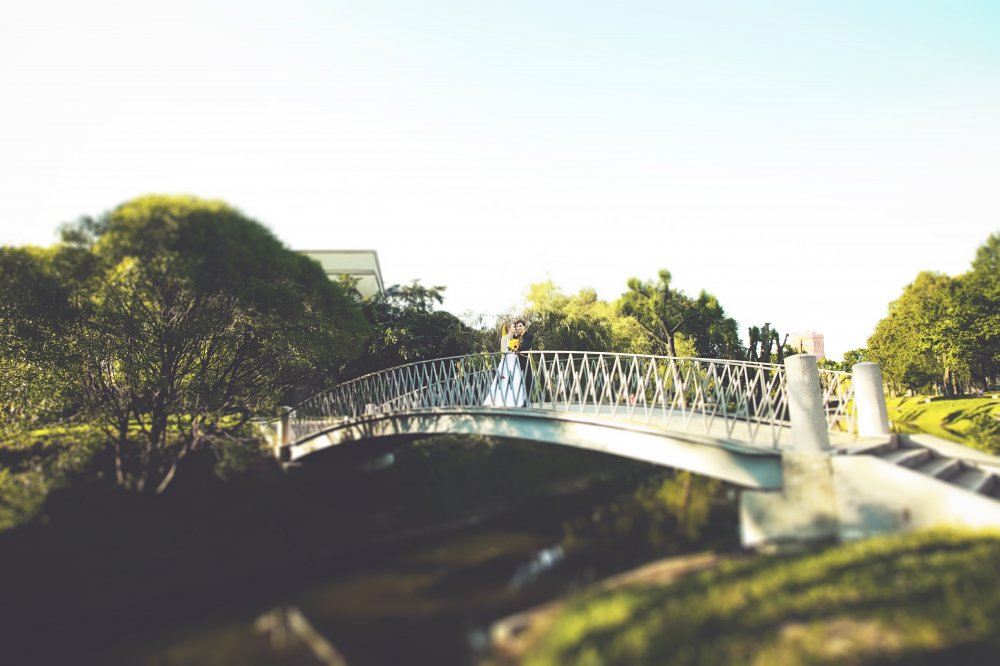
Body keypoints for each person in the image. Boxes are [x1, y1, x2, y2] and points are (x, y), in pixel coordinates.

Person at [484, 322, 526, 407]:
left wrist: (516, 350)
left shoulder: (516, 338)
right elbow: (503, 351)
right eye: (514, 327)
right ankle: (501, 401)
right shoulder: (504, 338)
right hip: (507, 360)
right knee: (504, 380)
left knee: (516, 379)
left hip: (514, 360)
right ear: (509, 329)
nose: (516, 328)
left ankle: (516, 401)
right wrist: (511, 349)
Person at [512, 319, 534, 404]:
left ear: (524, 326)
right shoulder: (515, 337)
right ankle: (519, 400)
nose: (518, 328)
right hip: (516, 361)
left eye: (520, 326)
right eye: (517, 326)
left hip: (526, 360)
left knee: (527, 380)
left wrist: (517, 349)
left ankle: (527, 400)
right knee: (518, 380)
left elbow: (526, 347)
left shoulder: (529, 336)